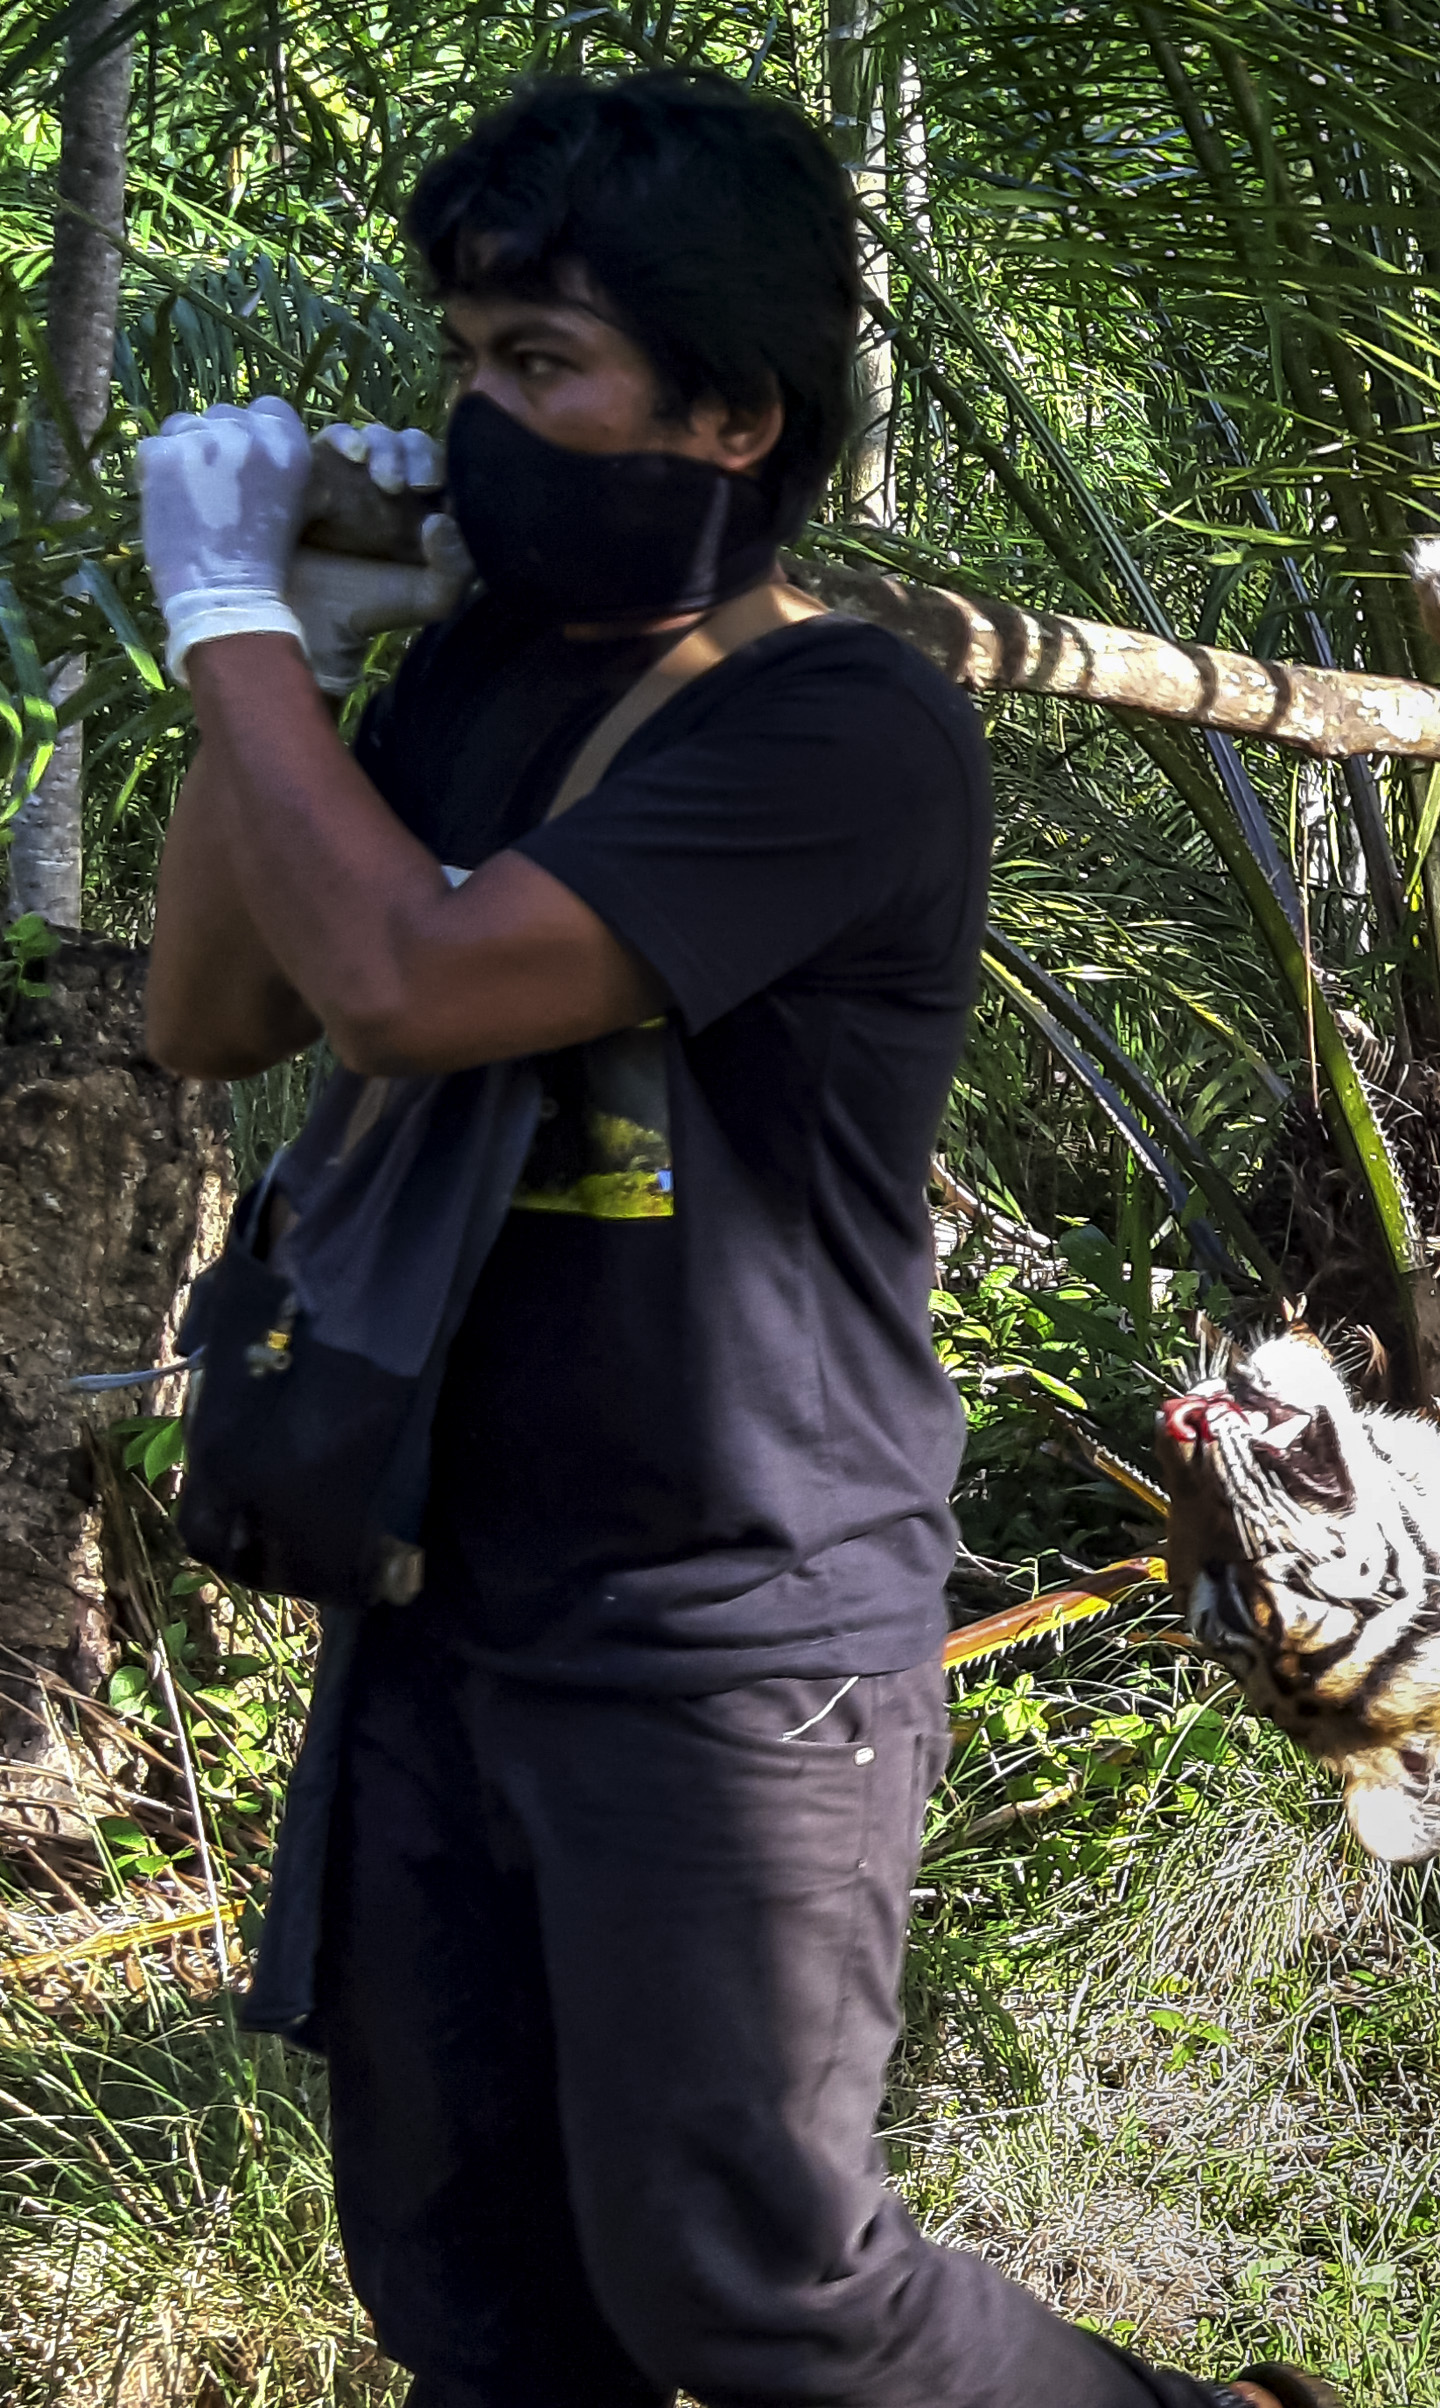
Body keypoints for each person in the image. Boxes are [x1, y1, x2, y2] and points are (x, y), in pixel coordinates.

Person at [135, 72, 1319, 2408]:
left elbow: (405, 982)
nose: (478, 421)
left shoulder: (838, 729)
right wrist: (281, 657)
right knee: (470, 2285)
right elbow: (213, 1004)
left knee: (756, 2286)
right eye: (460, 362)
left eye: (538, 371)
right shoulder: (475, 676)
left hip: (722, 1638)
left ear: (731, 414)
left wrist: (224, 613)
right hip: (440, 1606)